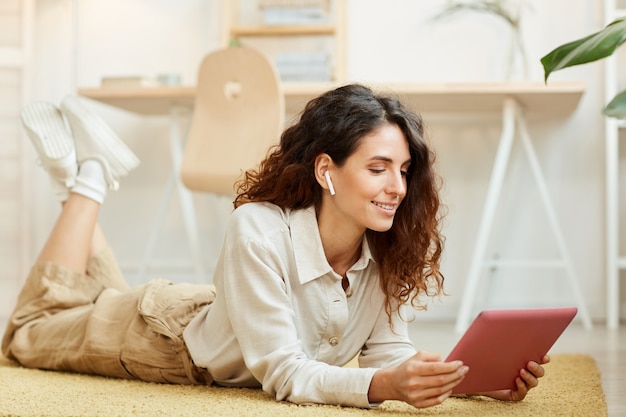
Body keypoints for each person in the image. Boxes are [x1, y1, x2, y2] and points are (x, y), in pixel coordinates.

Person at [2, 84, 548, 410]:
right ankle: (90, 177)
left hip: (217, 315)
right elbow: (284, 373)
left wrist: (478, 382)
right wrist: (384, 387)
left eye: (404, 171)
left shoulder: (386, 248)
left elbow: (387, 354)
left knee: (82, 296)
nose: (397, 188)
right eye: (378, 168)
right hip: (158, 338)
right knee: (26, 330)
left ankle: (72, 179)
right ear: (326, 172)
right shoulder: (258, 228)